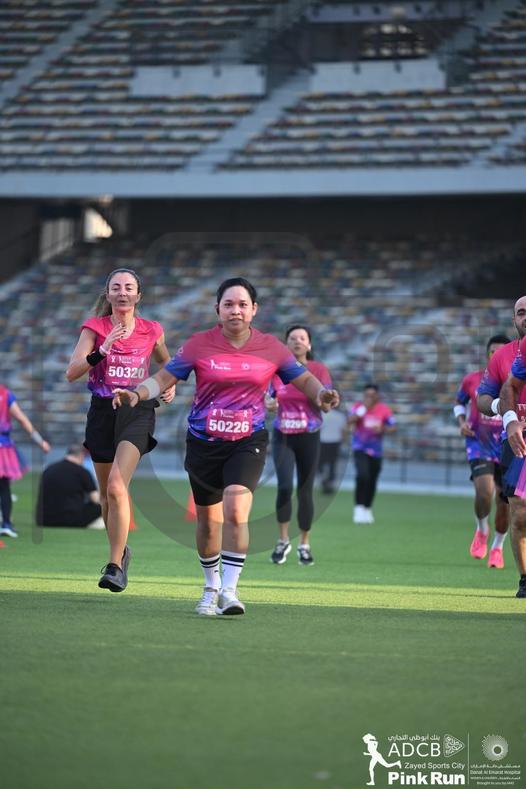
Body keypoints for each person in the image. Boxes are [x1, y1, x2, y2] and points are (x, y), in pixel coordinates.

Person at [112, 277, 339, 616]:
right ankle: (210, 588)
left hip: (248, 442)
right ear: (217, 309)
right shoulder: (198, 345)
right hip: (203, 444)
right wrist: (136, 393)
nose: (236, 311)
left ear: (254, 309)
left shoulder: (271, 347)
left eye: (242, 305)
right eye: (229, 304)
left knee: (235, 510)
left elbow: (303, 378)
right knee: (207, 523)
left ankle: (230, 592)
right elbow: (163, 378)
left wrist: (321, 394)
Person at [66, 268, 175, 592]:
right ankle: (122, 552)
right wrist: (102, 350)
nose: (123, 292)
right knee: (106, 497)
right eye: (116, 287)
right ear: (108, 294)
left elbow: (168, 365)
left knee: (116, 486)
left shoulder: (152, 329)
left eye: (129, 287)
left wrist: (168, 385)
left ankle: (114, 567)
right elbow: (72, 372)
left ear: (138, 295)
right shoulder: (95, 327)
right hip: (102, 412)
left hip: (136, 410)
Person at [267, 324, 338, 566]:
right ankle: (282, 540)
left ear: (309, 344)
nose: (297, 341)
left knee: (305, 491)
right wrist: (269, 404)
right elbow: (268, 399)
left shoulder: (318, 370)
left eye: (302, 338)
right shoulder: (276, 371)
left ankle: (304, 544)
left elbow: (325, 406)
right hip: (283, 436)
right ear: (286, 344)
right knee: (285, 487)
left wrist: (327, 400)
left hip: (309, 435)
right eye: (292, 338)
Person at [477, 296, 526, 597]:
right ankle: (525, 578)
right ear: (514, 319)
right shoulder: (503, 356)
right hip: (516, 439)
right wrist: (504, 411)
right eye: (521, 313)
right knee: (518, 512)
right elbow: (483, 398)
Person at [454, 335, 510, 568]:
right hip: (479, 443)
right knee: (485, 491)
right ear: (487, 354)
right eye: (492, 352)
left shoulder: (517, 381)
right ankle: (481, 529)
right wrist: (461, 422)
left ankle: (498, 546)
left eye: (501, 352)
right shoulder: (473, 380)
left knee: (505, 503)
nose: (496, 356)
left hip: (509, 445)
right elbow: (459, 402)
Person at [0, 384, 50, 537]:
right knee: (4, 487)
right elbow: (21, 419)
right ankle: (6, 524)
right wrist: (40, 441)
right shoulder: (5, 394)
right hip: (3, 447)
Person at [348, 383, 395, 524]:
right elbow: (349, 421)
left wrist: (383, 429)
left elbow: (393, 427)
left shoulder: (384, 409)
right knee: (362, 475)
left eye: (372, 395)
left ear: (377, 396)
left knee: (372, 479)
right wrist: (362, 411)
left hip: (376, 450)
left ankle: (367, 508)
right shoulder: (358, 407)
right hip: (360, 448)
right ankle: (358, 508)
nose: (369, 398)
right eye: (367, 395)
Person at [36, 443, 104, 528]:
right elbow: (95, 499)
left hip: (44, 520)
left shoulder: (48, 469)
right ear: (81, 456)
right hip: (71, 520)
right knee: (104, 504)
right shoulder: (83, 472)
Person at [318, 405, 348, 494]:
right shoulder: (341, 416)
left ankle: (323, 476)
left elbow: (317, 429)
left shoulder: (321, 415)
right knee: (332, 463)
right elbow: (343, 431)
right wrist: (344, 443)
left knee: (320, 462)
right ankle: (330, 481)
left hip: (323, 441)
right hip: (335, 442)